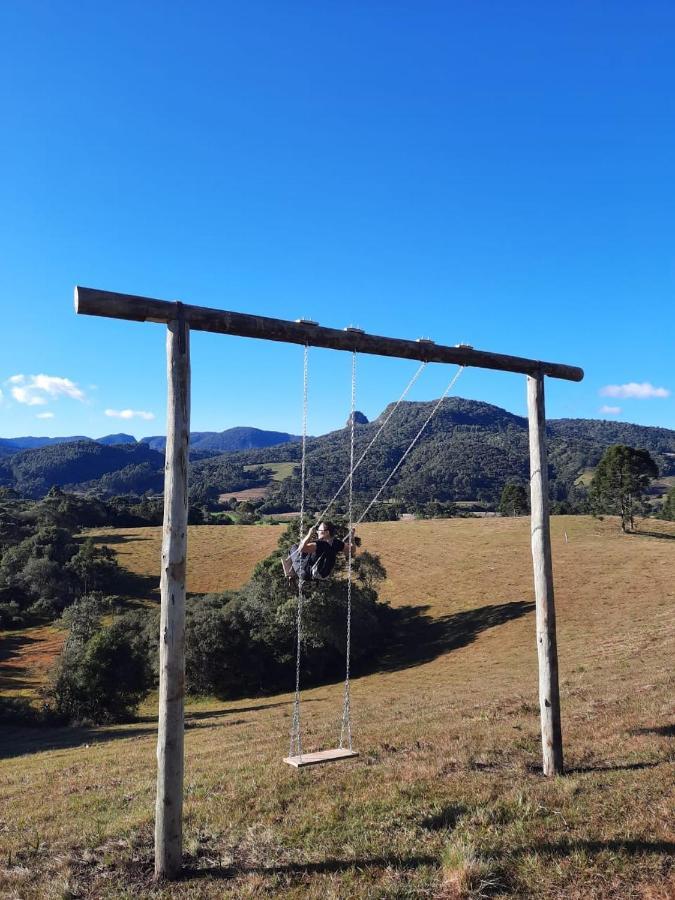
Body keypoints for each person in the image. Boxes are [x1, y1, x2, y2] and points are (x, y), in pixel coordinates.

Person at [283, 521, 355, 581]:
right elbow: (352, 550)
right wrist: (352, 538)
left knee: (294, 547)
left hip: (305, 573)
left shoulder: (319, 544)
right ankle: (294, 569)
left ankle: (291, 573)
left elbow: (301, 549)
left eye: (319, 530)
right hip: (323, 575)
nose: (317, 532)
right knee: (306, 553)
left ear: (326, 532)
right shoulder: (337, 543)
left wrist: (309, 534)